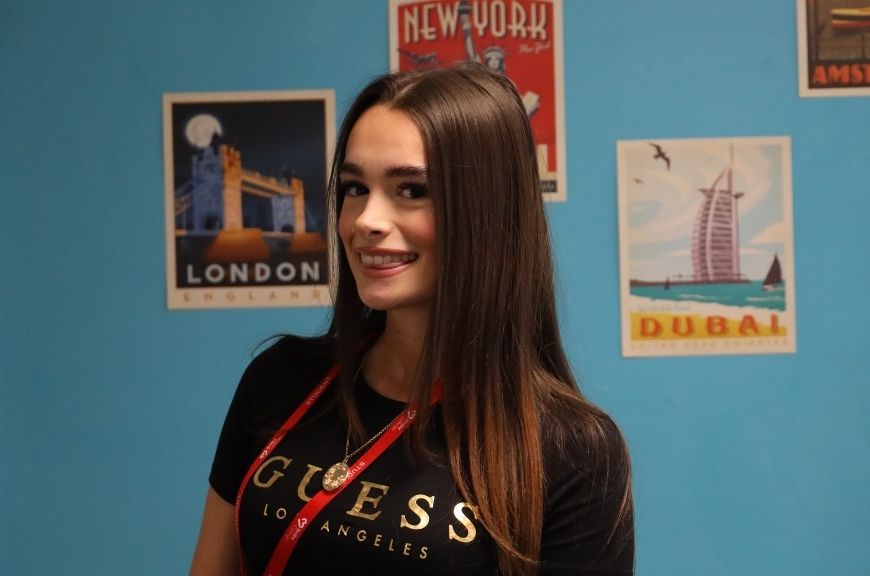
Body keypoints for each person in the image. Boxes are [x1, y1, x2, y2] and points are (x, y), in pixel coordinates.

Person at [189, 62, 634, 576]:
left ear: (486, 212)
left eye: (411, 191)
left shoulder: (573, 452)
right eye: (355, 188)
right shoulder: (280, 379)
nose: (366, 221)